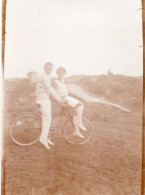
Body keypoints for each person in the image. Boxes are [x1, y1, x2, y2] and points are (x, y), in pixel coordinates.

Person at [35, 62, 64, 150]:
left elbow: (49, 89)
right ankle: (43, 139)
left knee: (47, 119)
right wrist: (59, 99)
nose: (49, 70)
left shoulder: (46, 76)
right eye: (48, 68)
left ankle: (46, 138)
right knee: (47, 119)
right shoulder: (44, 77)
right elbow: (50, 89)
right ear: (44, 68)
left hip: (43, 98)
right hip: (43, 99)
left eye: (51, 69)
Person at [52, 67, 87, 138]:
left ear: (64, 73)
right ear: (57, 73)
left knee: (74, 112)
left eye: (62, 72)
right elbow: (53, 93)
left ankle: (77, 131)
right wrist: (60, 101)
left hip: (66, 97)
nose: (61, 74)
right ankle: (79, 123)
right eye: (59, 72)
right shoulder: (55, 82)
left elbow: (67, 82)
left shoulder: (63, 81)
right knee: (81, 104)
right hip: (63, 98)